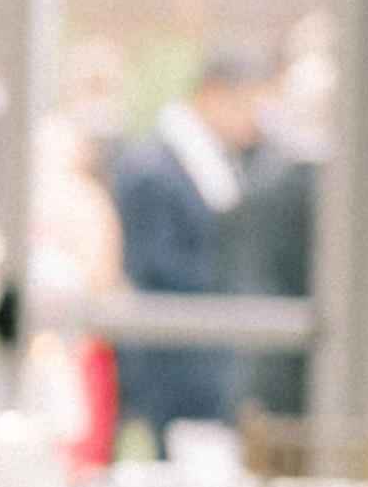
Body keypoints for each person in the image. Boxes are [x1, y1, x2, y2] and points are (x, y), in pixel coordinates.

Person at [108, 44, 272, 449]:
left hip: (213, 360)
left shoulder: (225, 164)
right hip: (174, 365)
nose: (255, 120)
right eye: (248, 104)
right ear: (215, 93)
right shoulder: (151, 169)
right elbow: (152, 266)